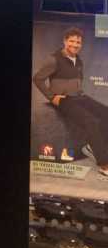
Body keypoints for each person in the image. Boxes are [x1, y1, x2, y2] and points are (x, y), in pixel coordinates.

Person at [33, 27, 108, 179]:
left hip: (79, 97)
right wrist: (51, 97)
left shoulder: (78, 60)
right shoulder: (54, 59)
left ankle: (93, 148)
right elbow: (37, 79)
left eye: (78, 42)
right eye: (72, 41)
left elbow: (77, 79)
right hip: (64, 99)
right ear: (65, 41)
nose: (75, 44)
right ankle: (104, 164)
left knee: (106, 113)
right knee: (91, 121)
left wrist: (79, 92)